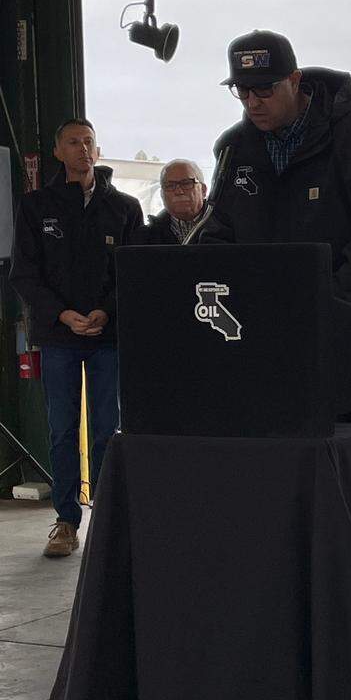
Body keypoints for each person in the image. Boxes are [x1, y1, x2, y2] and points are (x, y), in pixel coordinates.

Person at [204, 29, 351, 421]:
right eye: (242, 91)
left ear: (295, 80)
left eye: (264, 90)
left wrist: (323, 302)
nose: (252, 102)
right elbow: (218, 234)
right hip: (268, 341)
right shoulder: (235, 149)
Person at [10, 118, 143, 557]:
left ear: (98, 151)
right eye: (73, 142)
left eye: (89, 142)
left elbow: (133, 272)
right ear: (58, 152)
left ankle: (106, 521)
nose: (82, 149)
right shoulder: (36, 206)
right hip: (59, 335)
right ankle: (66, 521)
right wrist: (64, 315)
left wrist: (106, 310)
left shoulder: (124, 207)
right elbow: (25, 274)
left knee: (107, 429)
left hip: (107, 335)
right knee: (62, 430)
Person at [131, 159, 212, 245]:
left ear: (203, 190)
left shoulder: (223, 230)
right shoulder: (145, 239)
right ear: (162, 194)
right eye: (170, 185)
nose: (178, 191)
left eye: (186, 183)